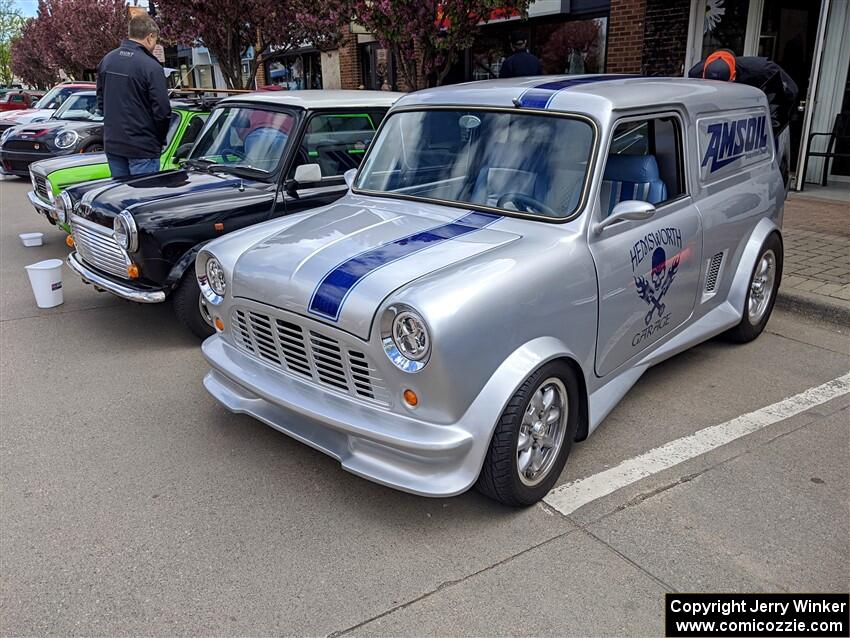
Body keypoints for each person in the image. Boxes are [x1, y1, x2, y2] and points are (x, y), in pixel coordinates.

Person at [96, 14, 171, 178]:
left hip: (113, 143)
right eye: (156, 40)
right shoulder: (151, 66)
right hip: (142, 147)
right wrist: (158, 140)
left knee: (122, 198)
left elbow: (101, 102)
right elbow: (163, 111)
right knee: (143, 198)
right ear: (150, 37)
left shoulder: (107, 60)